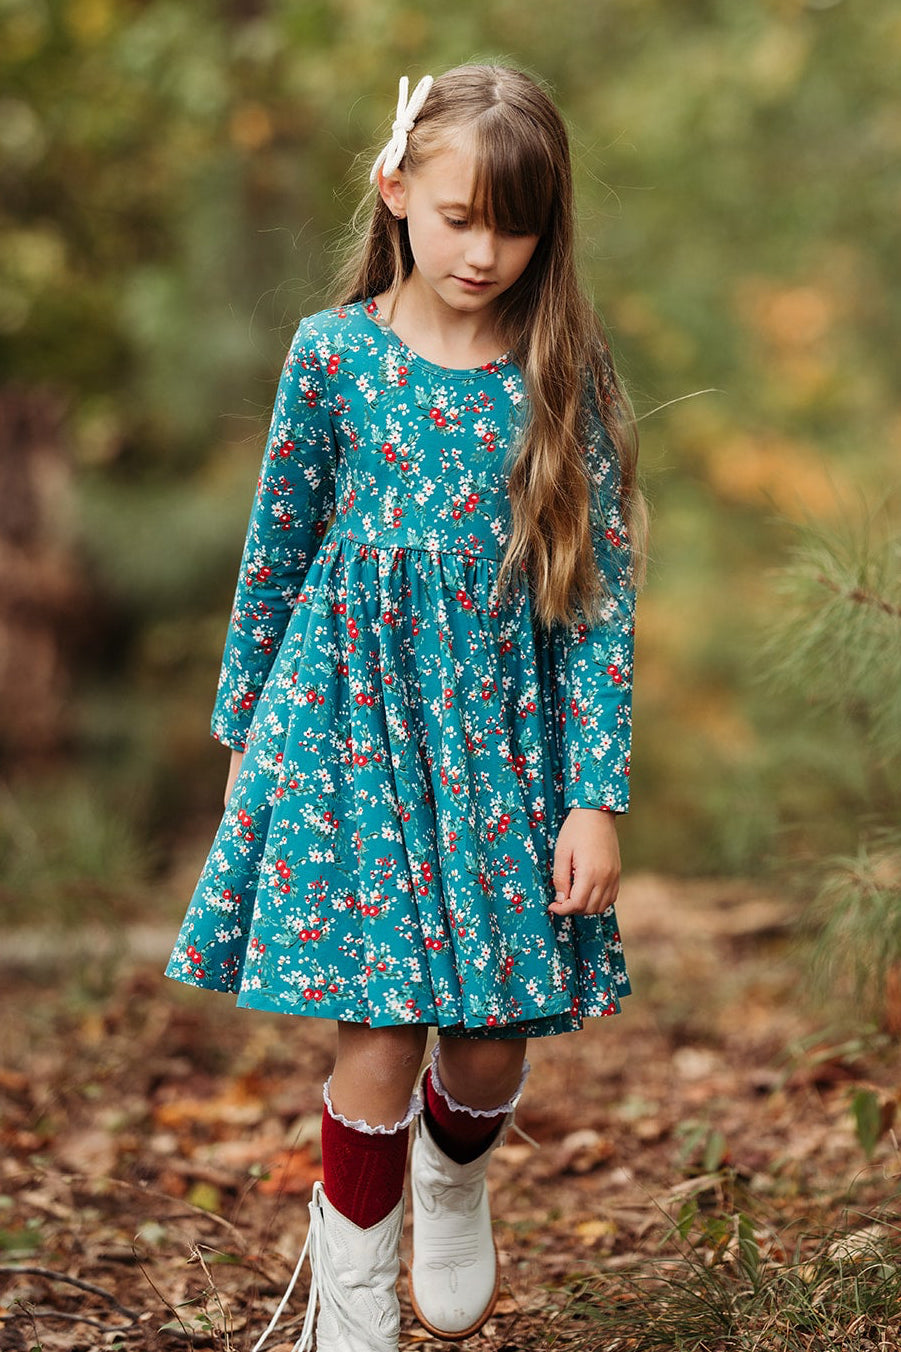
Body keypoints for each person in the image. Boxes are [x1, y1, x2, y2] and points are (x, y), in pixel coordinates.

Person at [165, 62, 646, 1352]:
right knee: (377, 1022)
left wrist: (594, 795)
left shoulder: (558, 375)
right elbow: (276, 552)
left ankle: (453, 1168)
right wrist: (244, 733)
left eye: (514, 227)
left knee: (485, 1042)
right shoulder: (333, 356)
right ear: (396, 192)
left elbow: (596, 600)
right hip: (348, 726)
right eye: (458, 218)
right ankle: (354, 1298)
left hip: (496, 742)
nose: (483, 252)